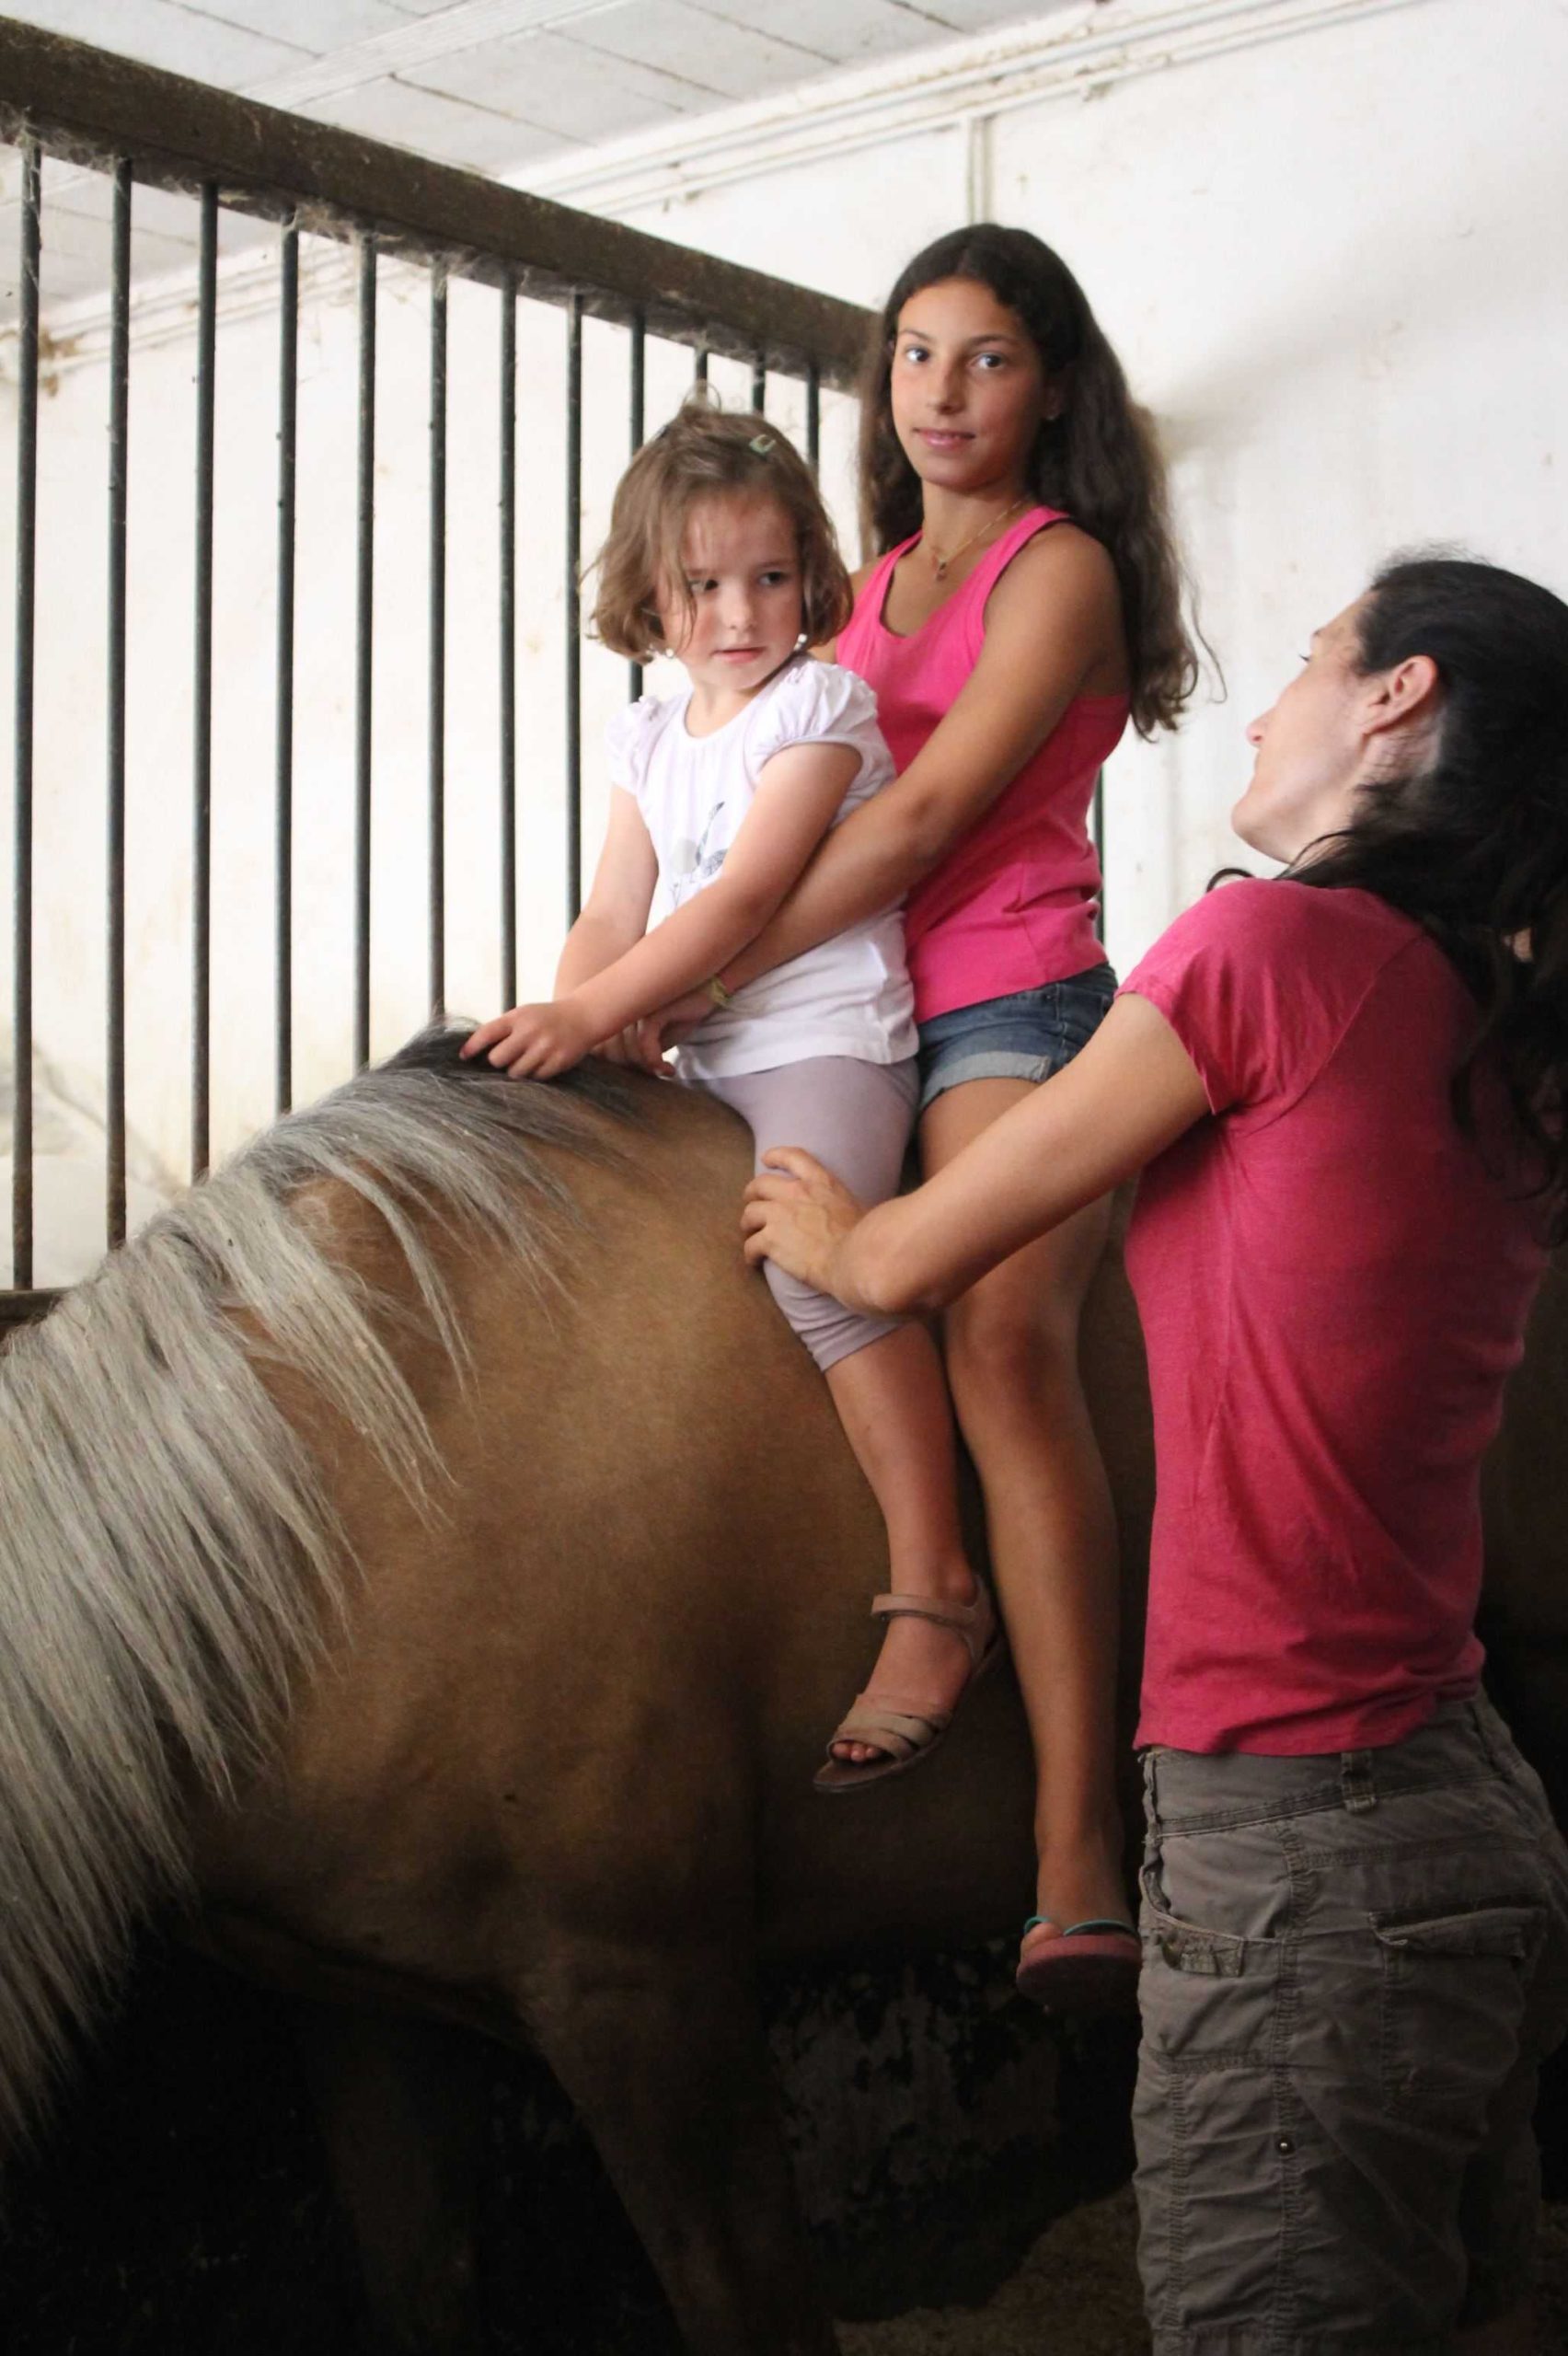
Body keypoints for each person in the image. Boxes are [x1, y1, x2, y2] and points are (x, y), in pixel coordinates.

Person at [741, 553, 1568, 2351]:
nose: (1264, 711)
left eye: (1310, 662)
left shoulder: (1267, 951)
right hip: (1464, 1817)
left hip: (1301, 1847)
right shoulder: (1493, 1021)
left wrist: (826, 1231)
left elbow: (914, 1256)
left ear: (1400, 698)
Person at [635, 225, 1197, 2006]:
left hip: (1010, 1004)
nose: (943, 393)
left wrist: (695, 975)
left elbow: (926, 818)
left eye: (990, 358)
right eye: (917, 355)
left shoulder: (1058, 568)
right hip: (839, 1006)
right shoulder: (856, 592)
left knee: (1001, 1337)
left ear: (1054, 387)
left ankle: (1078, 1851)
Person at [463, 398, 994, 1786]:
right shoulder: (647, 738)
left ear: (810, 575)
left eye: (770, 576)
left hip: (822, 1041)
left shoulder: (819, 710)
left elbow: (752, 895)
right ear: (651, 597)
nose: (741, 613)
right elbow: (611, 909)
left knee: (825, 1275)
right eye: (703, 586)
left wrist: (601, 1010)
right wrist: (577, 1015)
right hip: (695, 1048)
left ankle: (938, 1589)